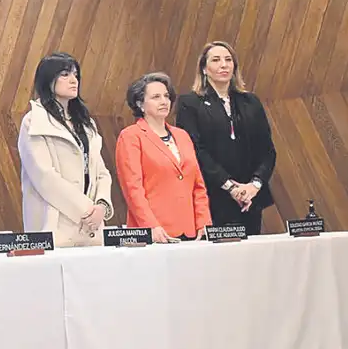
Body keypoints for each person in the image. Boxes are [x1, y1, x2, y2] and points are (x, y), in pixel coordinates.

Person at [175, 41, 277, 235]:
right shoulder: (190, 103)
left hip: (250, 198)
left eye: (228, 60)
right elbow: (196, 151)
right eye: (216, 60)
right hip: (213, 197)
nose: (224, 65)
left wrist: (254, 185)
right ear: (204, 69)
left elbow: (268, 151)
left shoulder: (251, 102)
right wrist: (230, 187)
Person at [18, 53, 113, 246]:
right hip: (55, 223)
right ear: (48, 79)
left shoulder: (86, 123)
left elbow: (101, 171)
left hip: (91, 226)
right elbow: (44, 177)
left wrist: (102, 205)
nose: (73, 80)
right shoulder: (34, 121)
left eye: (75, 75)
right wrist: (87, 210)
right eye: (65, 74)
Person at [116, 73, 211, 242]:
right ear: (140, 104)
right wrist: (151, 226)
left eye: (167, 96)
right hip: (154, 232)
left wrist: (204, 223)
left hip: (191, 232)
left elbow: (198, 186)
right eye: (156, 97)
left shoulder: (182, 136)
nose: (164, 101)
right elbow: (133, 189)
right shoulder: (131, 136)